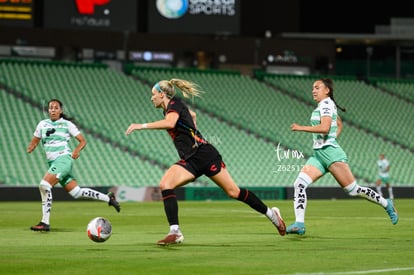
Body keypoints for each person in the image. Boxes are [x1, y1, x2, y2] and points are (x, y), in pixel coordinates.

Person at [125, 79, 286, 245]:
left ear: (161, 94)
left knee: (233, 192)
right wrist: (193, 127)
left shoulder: (175, 103)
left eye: (153, 95)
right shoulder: (171, 109)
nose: (151, 98)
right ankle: (175, 232)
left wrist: (140, 125)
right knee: (166, 184)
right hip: (190, 160)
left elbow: (171, 123)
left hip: (205, 154)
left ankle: (272, 214)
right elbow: (192, 115)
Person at [286, 78, 398, 235]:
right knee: (299, 184)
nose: (313, 90)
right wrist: (332, 138)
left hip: (331, 154)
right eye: (313, 88)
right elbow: (339, 124)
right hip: (319, 154)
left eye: (317, 87)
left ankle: (387, 203)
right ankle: (299, 224)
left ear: (327, 90)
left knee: (353, 190)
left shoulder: (325, 105)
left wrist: (301, 128)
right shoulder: (326, 105)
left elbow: (325, 128)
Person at [27, 99, 120, 232]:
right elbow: (35, 140)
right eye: (50, 108)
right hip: (53, 162)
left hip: (63, 159)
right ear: (48, 110)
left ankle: (45, 222)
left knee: (44, 185)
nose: (53, 110)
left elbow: (82, 141)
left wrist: (76, 151)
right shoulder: (42, 124)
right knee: (76, 192)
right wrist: (31, 147)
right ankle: (108, 198)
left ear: (61, 110)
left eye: (56, 108)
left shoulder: (67, 124)